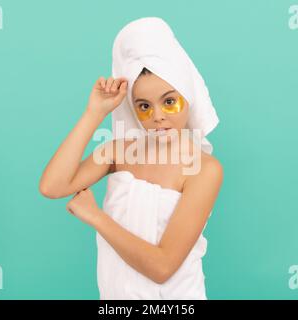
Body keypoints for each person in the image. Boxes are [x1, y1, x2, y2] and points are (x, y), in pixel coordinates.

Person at [39, 17, 223, 299]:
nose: (158, 115)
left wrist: (96, 217)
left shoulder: (204, 170)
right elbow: (52, 186)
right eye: (144, 106)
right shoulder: (119, 151)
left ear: (188, 96)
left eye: (169, 101)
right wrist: (94, 113)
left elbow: (162, 267)